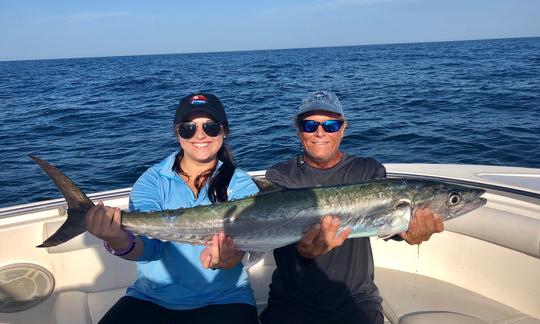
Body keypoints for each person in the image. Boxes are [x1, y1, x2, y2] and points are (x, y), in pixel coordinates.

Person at [259, 90, 444, 324]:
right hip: (291, 299)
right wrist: (304, 255)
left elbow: (386, 225)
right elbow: (282, 244)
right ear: (298, 131)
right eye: (309, 126)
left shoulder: (367, 171)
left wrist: (407, 232)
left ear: (343, 128)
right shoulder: (280, 176)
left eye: (331, 125)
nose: (320, 132)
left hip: (356, 299)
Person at [85, 92, 260, 324]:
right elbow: (150, 250)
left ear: (224, 131)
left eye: (210, 127)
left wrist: (228, 260)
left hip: (226, 299)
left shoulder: (241, 184)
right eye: (189, 128)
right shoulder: (152, 181)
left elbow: (244, 247)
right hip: (151, 298)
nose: (200, 135)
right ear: (177, 133)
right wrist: (118, 240)